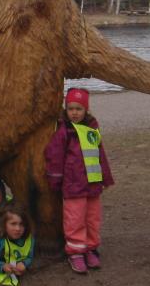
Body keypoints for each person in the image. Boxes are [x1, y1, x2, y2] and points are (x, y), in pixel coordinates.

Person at [44, 87, 114, 274]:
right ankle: (75, 251)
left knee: (92, 218)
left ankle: (90, 247)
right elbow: (54, 157)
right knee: (75, 219)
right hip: (73, 185)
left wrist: (105, 178)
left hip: (92, 184)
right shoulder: (63, 132)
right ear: (66, 110)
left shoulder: (92, 129)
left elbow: (100, 155)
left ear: (86, 110)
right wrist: (55, 181)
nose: (74, 112)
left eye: (78, 109)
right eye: (71, 108)